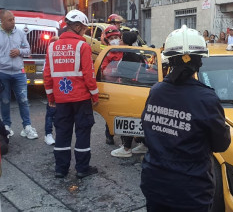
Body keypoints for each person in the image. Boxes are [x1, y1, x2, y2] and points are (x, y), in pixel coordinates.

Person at [140, 25, 231, 211]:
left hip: (155, 182)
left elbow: (147, 129)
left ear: (169, 61)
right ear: (199, 62)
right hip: (191, 190)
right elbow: (221, 144)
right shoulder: (206, 98)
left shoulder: (156, 91)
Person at [43, 10, 99, 179]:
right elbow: (89, 75)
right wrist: (95, 96)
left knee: (62, 132)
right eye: (84, 29)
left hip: (61, 99)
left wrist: (51, 98)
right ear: (76, 26)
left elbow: (47, 75)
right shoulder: (83, 46)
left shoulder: (52, 46)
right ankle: (82, 168)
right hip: (81, 99)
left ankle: (61, 169)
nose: (85, 32)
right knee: (82, 131)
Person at [0, 9, 38, 140]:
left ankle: (27, 127)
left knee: (23, 100)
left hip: (19, 73)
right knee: (4, 101)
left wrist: (19, 51)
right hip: (3, 73)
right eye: (10, 20)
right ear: (2, 21)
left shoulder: (20, 33)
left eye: (13, 19)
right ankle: (6, 127)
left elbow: (28, 50)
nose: (13, 22)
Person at [110, 31, 148, 158]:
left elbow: (125, 73)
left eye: (120, 39)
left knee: (126, 119)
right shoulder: (135, 52)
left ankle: (126, 148)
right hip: (137, 89)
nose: (118, 41)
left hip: (128, 90)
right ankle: (143, 144)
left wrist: (114, 71)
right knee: (137, 119)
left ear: (125, 41)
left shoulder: (129, 55)